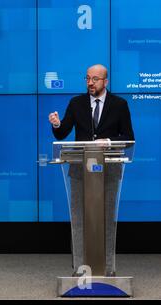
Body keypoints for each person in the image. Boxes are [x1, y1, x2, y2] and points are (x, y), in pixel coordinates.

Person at [48, 64, 135, 276]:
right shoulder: (76, 103)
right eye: (87, 78)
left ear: (105, 82)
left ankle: (108, 269)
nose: (90, 82)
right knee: (78, 220)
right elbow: (62, 135)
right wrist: (57, 124)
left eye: (95, 79)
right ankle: (80, 269)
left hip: (110, 170)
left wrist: (109, 141)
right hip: (79, 171)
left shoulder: (119, 104)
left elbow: (129, 138)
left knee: (106, 220)